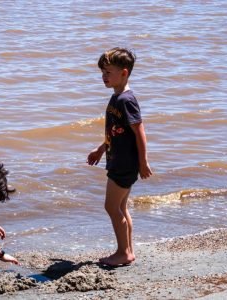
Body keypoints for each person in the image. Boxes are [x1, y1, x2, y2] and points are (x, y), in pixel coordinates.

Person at [87, 47, 152, 267]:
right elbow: (115, 132)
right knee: (121, 208)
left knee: (111, 207)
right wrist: (100, 149)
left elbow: (139, 132)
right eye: (102, 72)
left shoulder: (126, 100)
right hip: (119, 160)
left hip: (125, 163)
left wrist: (143, 163)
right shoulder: (116, 98)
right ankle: (128, 250)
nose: (103, 77)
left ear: (124, 73)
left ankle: (123, 252)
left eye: (108, 72)